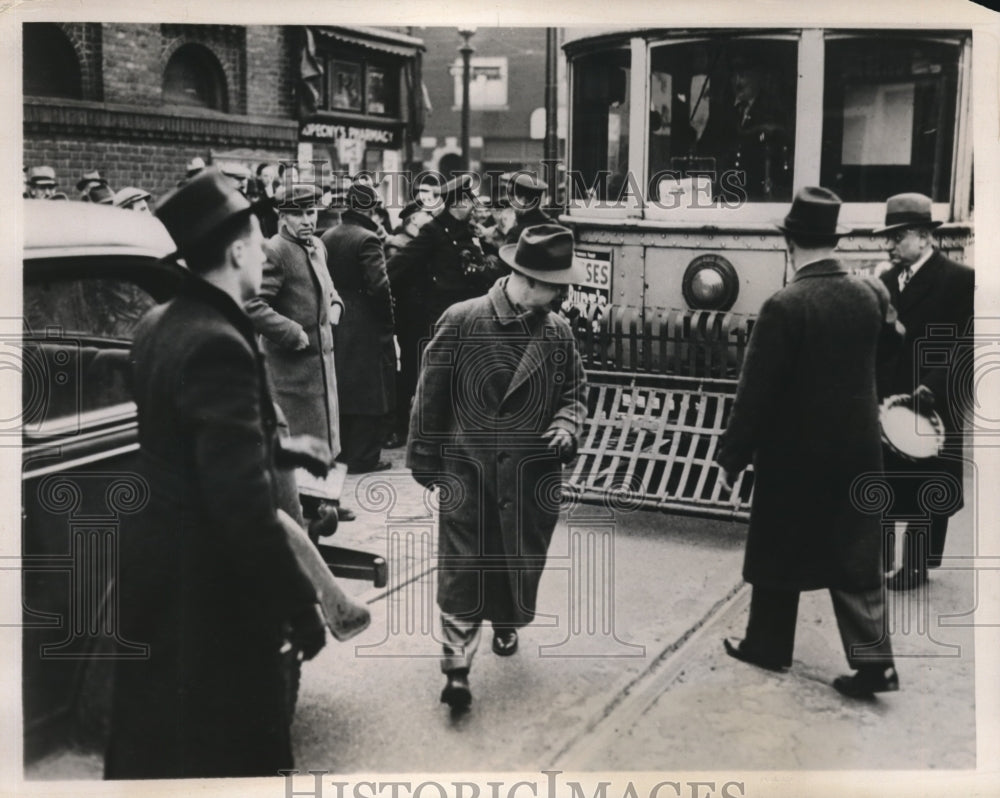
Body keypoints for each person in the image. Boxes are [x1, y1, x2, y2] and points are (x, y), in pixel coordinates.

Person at [104, 168, 327, 779]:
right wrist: (300, 604)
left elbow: (189, 443)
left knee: (160, 749)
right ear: (236, 251)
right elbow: (238, 502)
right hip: (210, 593)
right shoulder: (218, 342)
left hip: (159, 575)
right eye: (258, 241)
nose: (262, 250)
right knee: (229, 756)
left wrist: (283, 449)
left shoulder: (163, 321)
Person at [717, 186, 904, 700]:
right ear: (832, 239)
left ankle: (768, 643)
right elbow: (890, 352)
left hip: (795, 456)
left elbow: (755, 393)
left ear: (790, 244)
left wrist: (732, 456)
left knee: (778, 545)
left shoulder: (785, 304)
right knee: (855, 554)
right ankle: (875, 664)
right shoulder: (869, 294)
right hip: (858, 448)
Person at [407, 224, 587, 710]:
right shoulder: (463, 320)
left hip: (530, 477)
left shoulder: (557, 332)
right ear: (528, 278)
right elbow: (430, 396)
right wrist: (427, 464)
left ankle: (505, 622)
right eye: (557, 284)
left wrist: (567, 428)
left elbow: (574, 393)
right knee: (462, 568)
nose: (563, 293)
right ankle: (457, 667)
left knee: (513, 560)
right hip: (468, 470)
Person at [875, 193, 975, 591]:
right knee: (884, 476)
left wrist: (932, 385)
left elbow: (968, 345)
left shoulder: (960, 280)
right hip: (891, 398)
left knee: (926, 480)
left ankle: (916, 565)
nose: (890, 245)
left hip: (934, 398)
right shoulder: (884, 282)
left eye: (897, 236)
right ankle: (881, 560)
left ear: (922, 237)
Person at [245, 183, 356, 522]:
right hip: (292, 368)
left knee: (326, 432)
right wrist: (291, 331)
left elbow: (329, 287)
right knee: (300, 433)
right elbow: (252, 303)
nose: (308, 220)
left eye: (312, 212)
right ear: (283, 217)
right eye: (299, 214)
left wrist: (336, 304)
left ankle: (326, 499)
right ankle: (302, 503)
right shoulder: (275, 250)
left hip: (321, 364)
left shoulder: (317, 246)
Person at [387, 174, 505, 446]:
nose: (474, 207)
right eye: (469, 202)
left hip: (467, 316)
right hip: (435, 318)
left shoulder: (469, 233)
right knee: (422, 374)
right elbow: (400, 265)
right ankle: (405, 430)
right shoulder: (434, 230)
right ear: (457, 203)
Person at [321, 182, 396, 474]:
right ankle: (364, 456)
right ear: (370, 207)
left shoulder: (327, 235)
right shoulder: (369, 239)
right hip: (365, 321)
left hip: (336, 315)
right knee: (370, 389)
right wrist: (388, 322)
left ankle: (344, 450)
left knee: (342, 385)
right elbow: (379, 286)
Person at [503, 173, 555, 245]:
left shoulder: (516, 233)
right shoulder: (554, 225)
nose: (511, 205)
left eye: (512, 200)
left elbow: (506, 254)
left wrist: (506, 232)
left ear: (523, 201)